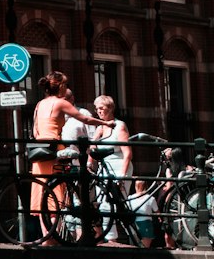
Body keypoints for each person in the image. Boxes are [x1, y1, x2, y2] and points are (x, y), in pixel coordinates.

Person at [30, 71, 97, 222]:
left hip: (39, 150)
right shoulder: (60, 102)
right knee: (56, 195)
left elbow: (35, 130)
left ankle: (47, 239)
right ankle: (53, 237)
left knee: (42, 192)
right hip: (54, 149)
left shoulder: (40, 104)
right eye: (65, 84)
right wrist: (105, 123)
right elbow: (85, 118)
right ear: (60, 86)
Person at [91, 93, 132, 243]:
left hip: (119, 165)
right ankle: (111, 238)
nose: (99, 112)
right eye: (97, 109)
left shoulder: (119, 126)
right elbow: (91, 146)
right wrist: (89, 162)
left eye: (101, 108)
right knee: (103, 204)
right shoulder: (101, 127)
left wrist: (122, 174)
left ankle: (130, 235)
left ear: (110, 108)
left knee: (118, 203)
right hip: (105, 168)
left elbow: (127, 153)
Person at [130, 176, 158, 247]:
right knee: (145, 247)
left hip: (133, 224)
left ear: (135, 186)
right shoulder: (151, 198)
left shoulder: (130, 198)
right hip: (146, 223)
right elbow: (157, 211)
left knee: (134, 246)